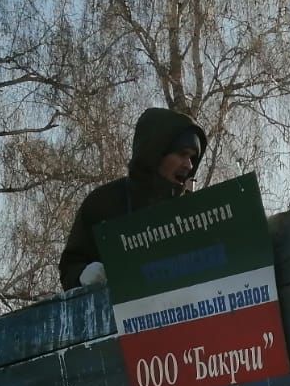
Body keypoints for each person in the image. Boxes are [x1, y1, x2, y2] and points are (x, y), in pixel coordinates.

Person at [58, 107, 208, 292]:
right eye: (182, 154)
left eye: (193, 158)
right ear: (156, 152)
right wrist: (83, 274)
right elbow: (69, 267)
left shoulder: (193, 213)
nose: (189, 165)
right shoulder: (103, 203)